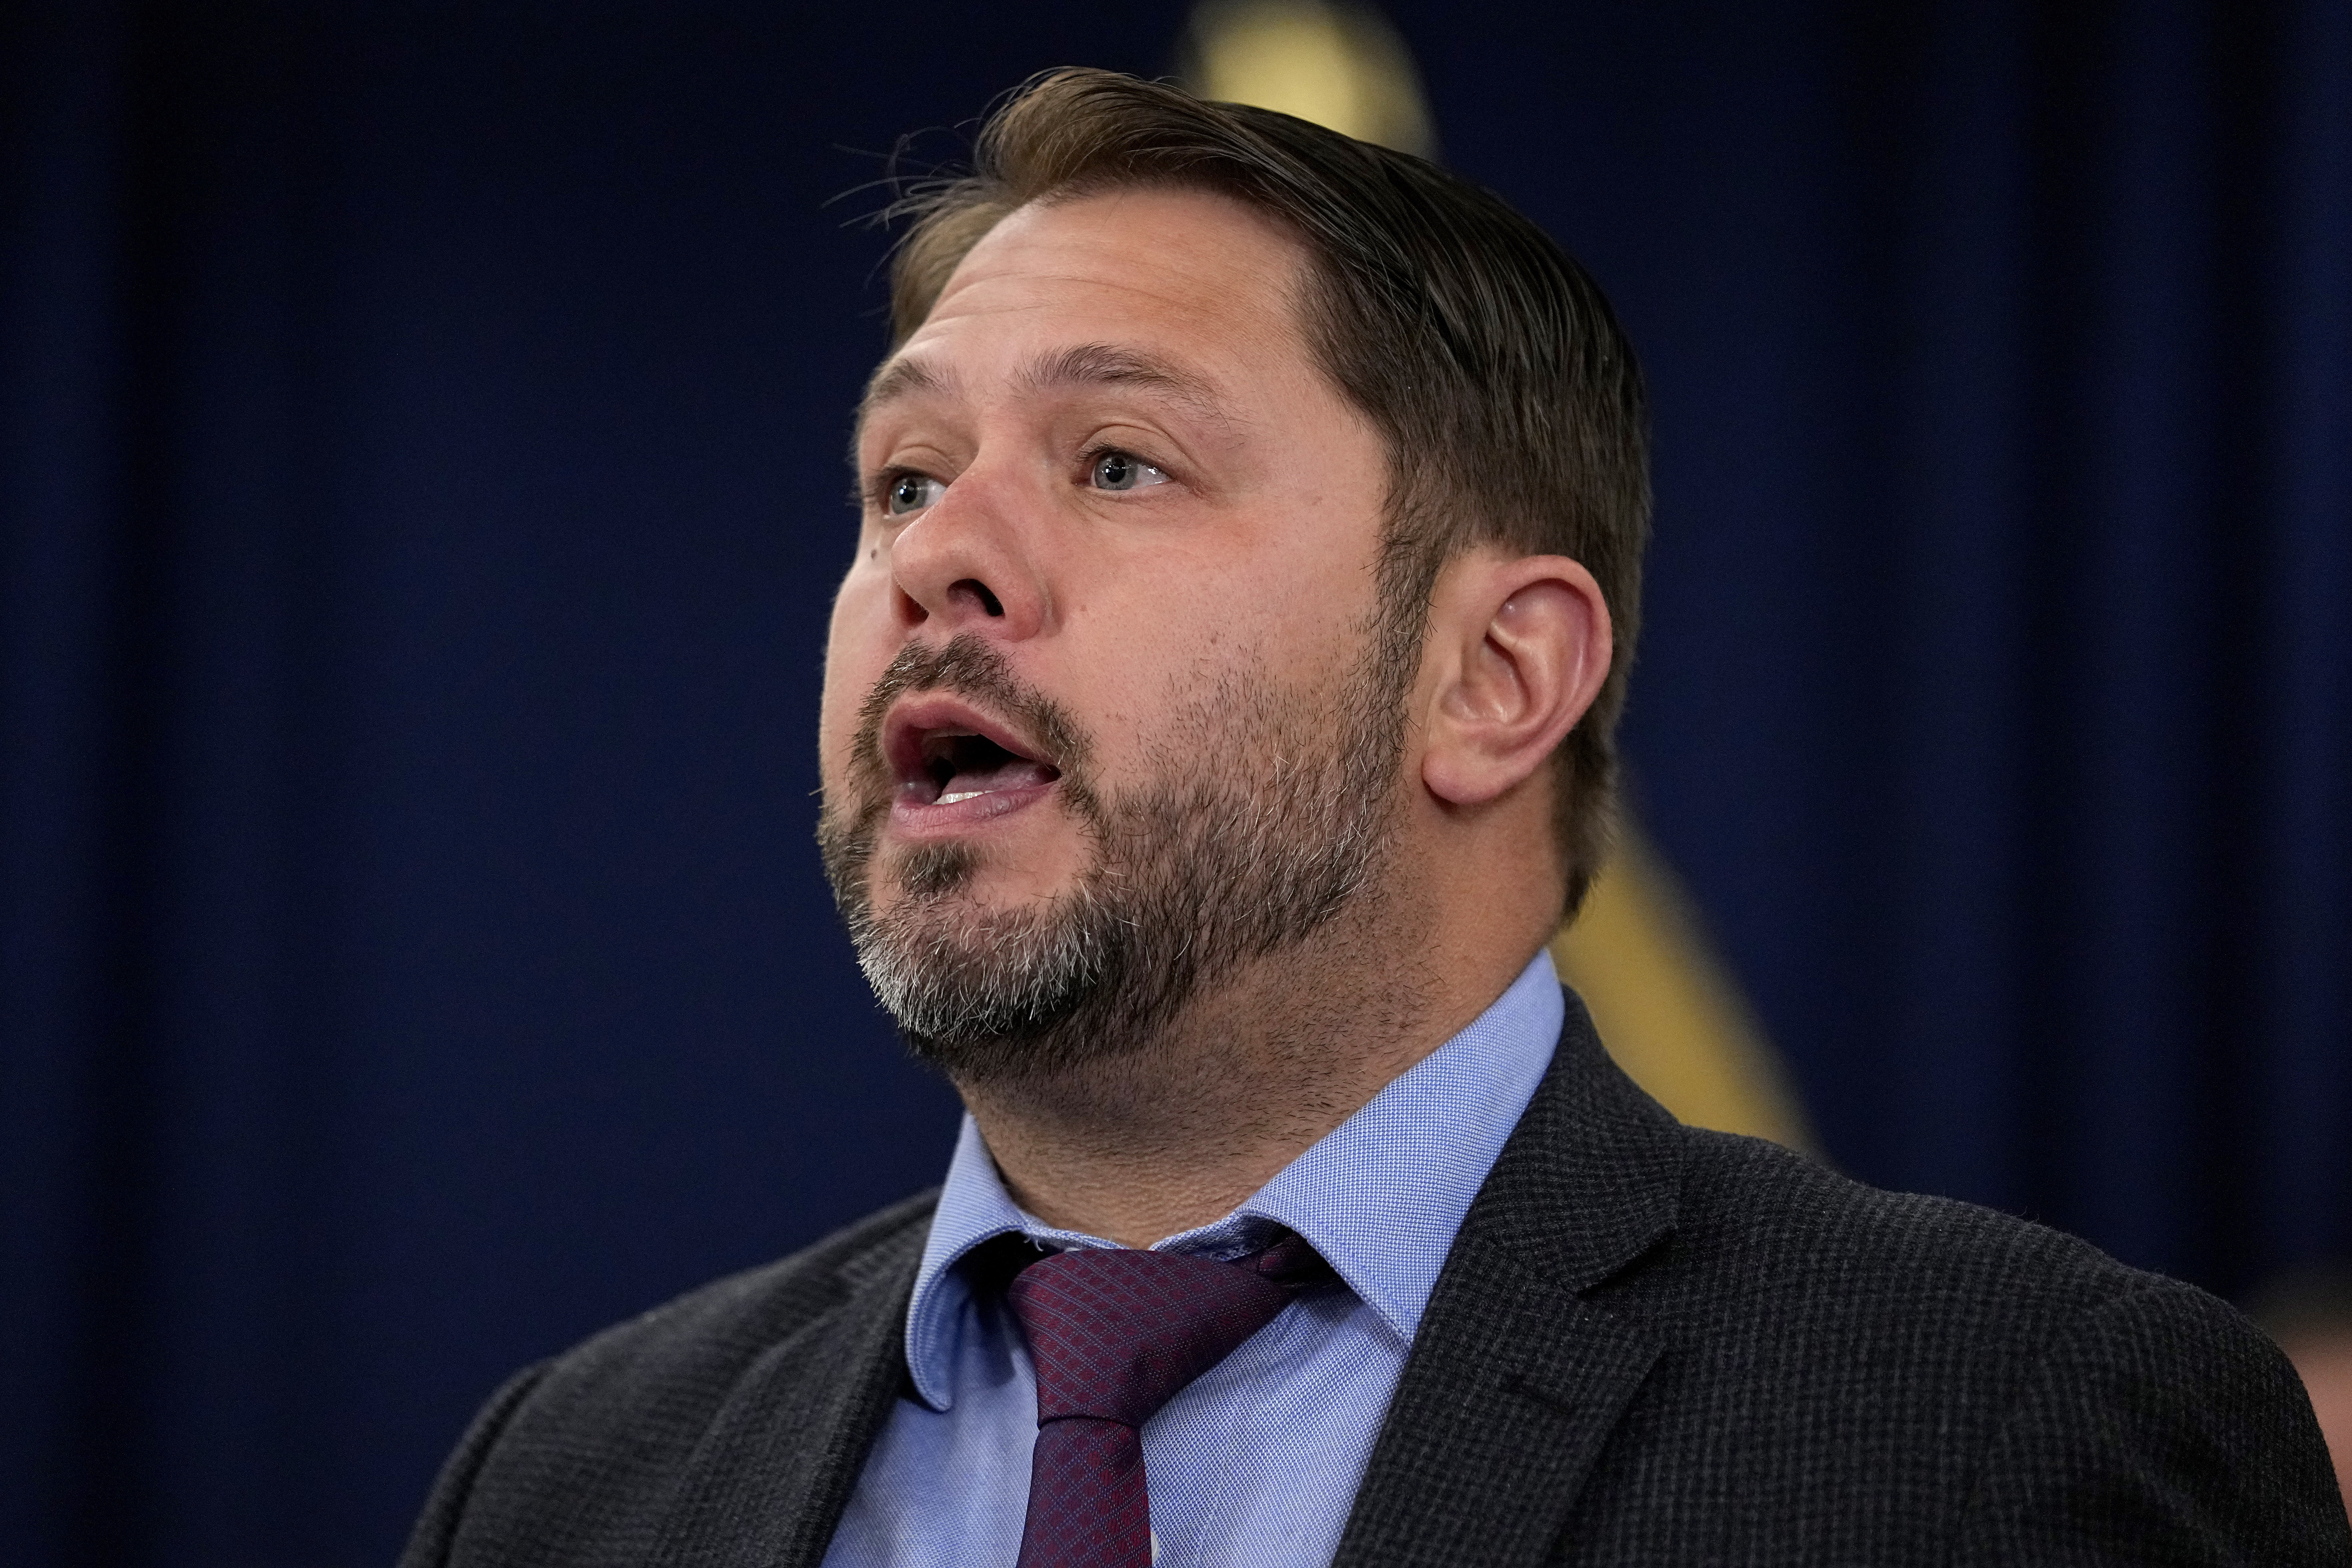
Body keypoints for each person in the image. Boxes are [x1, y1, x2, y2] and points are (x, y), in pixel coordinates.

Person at [398, 68, 2349, 1567]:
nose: (941, 560)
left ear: (1494, 678)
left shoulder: (1998, 1429)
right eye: (903, 478)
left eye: (1116, 459)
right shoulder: (577, 1477)